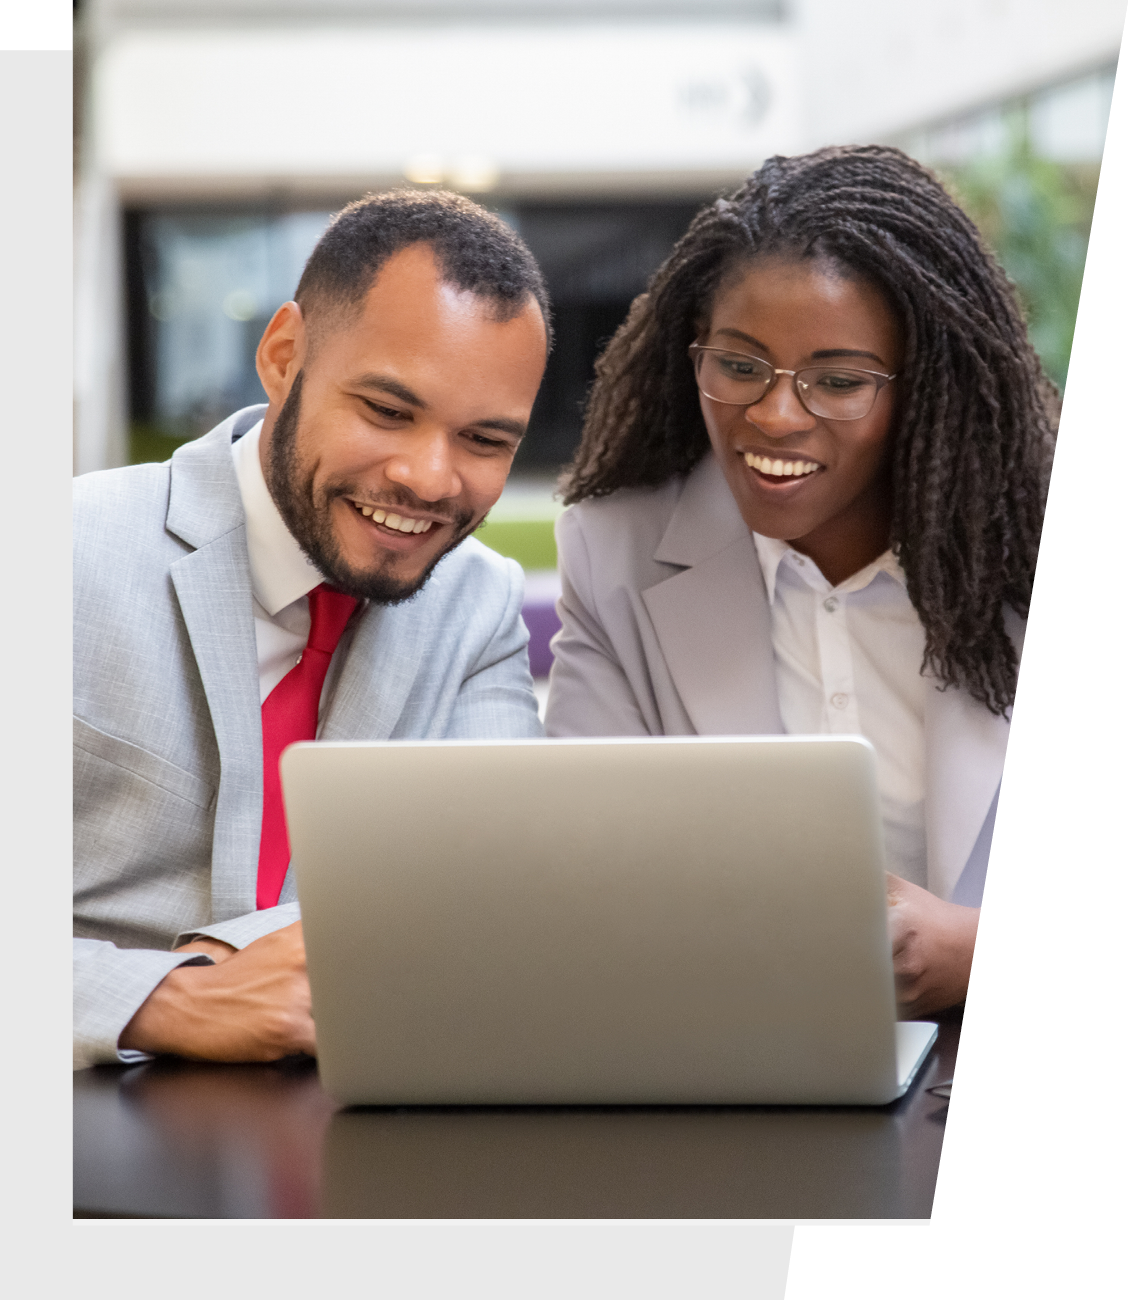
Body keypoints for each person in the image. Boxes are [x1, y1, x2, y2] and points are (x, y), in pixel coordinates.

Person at [544, 146, 1056, 1018]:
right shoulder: (615, 553)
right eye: (740, 366)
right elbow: (582, 883)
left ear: (927, 387)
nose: (777, 415)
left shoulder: (1050, 555)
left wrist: (983, 955)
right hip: (734, 1075)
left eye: (840, 381)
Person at [74, 191, 551, 1068]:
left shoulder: (478, 605)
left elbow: (492, 902)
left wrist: (227, 952)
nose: (429, 478)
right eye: (387, 411)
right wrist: (161, 999)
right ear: (285, 356)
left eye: (484, 439)